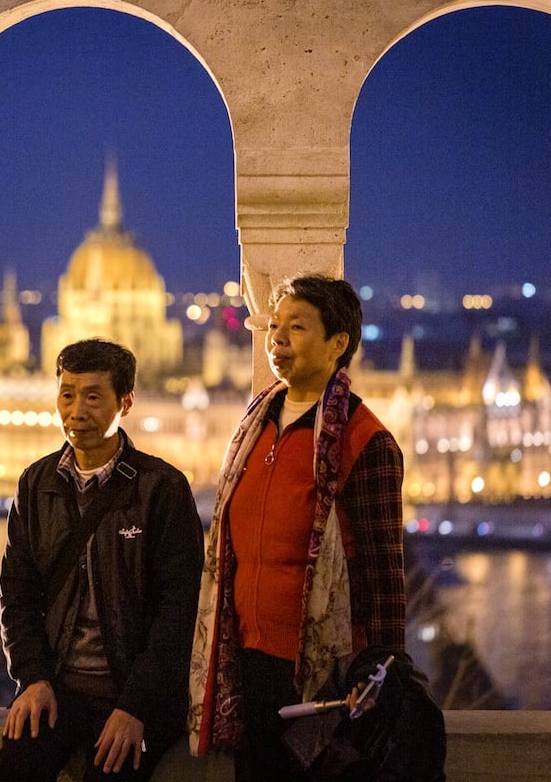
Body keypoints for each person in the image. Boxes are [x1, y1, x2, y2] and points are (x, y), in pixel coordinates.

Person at [188, 274, 406, 782]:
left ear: (338, 344)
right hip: (247, 660)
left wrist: (380, 675)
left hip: (322, 676)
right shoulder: (256, 421)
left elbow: (384, 575)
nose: (277, 338)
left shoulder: (363, 439)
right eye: (274, 325)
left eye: (298, 326)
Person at [0, 338, 205, 782]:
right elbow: (18, 592)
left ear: (125, 403)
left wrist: (136, 707)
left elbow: (179, 611)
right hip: (58, 688)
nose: (76, 411)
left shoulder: (161, 489)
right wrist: (32, 678)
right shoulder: (37, 484)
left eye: (92, 396)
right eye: (67, 394)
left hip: (133, 695)